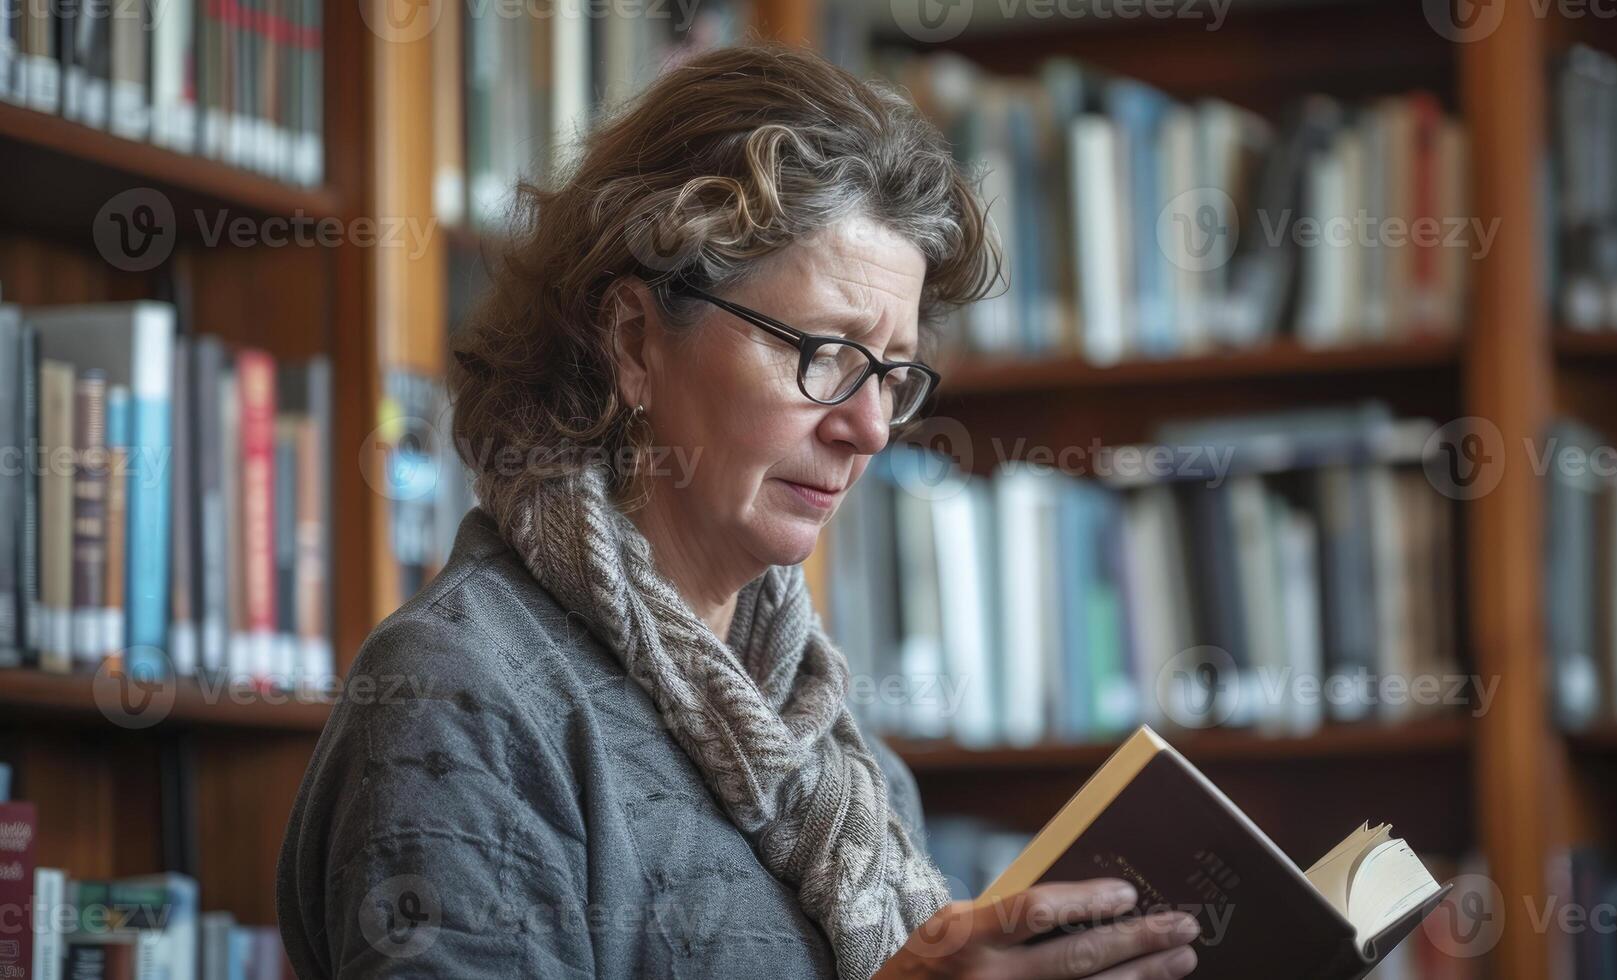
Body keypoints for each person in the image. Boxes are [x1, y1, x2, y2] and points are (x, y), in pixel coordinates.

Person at [276, 43, 1201, 980]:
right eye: (825, 354)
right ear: (633, 339)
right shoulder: (461, 694)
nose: (870, 428)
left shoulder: (850, 769)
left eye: (892, 374)